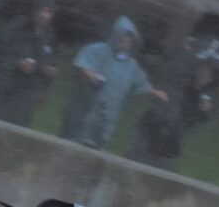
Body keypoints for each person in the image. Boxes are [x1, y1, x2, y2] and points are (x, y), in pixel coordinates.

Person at [60, 16, 168, 150]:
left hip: (109, 117)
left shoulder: (131, 65)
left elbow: (141, 83)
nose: (126, 42)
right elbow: (82, 64)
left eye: (130, 39)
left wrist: (153, 92)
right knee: (76, 142)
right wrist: (89, 74)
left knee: (98, 148)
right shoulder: (98, 50)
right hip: (87, 110)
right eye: (123, 37)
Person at [128, 37, 219, 170]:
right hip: (150, 133)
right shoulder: (180, 81)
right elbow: (166, 109)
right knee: (134, 168)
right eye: (203, 69)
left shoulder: (206, 94)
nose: (206, 75)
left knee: (160, 179)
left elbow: (199, 118)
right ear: (196, 67)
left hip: (171, 144)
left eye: (210, 72)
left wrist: (205, 111)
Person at [0, 0, 58, 127]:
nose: (45, 15)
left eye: (49, 12)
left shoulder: (49, 35)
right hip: (3, 91)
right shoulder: (17, 26)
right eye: (43, 10)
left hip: (26, 98)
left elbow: (48, 62)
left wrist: (49, 71)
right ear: (35, 9)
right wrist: (17, 62)